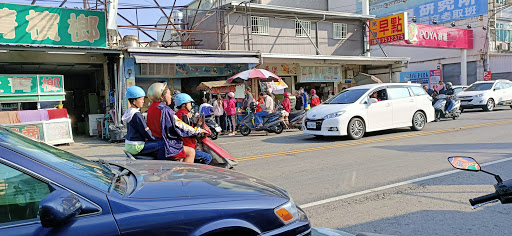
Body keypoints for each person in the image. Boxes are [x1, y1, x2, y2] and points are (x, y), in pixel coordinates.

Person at [146, 82, 207, 163]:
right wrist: (198, 130)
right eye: (169, 94)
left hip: (155, 142)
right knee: (191, 152)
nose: (171, 97)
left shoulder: (151, 108)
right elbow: (181, 125)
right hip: (166, 144)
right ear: (162, 96)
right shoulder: (165, 110)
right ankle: (186, 174)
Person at [122, 86, 164, 159]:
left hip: (129, 144)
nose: (143, 101)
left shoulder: (129, 112)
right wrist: (154, 139)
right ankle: (162, 167)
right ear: (134, 101)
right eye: (141, 99)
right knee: (163, 144)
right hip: (136, 146)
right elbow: (145, 131)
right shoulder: (136, 115)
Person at [175, 93, 213, 165]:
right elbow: (188, 131)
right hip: (188, 146)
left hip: (188, 144)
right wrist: (199, 129)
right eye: (189, 104)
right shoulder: (183, 115)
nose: (191, 106)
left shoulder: (182, 114)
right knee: (208, 157)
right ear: (184, 105)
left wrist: (198, 123)